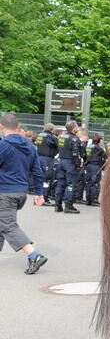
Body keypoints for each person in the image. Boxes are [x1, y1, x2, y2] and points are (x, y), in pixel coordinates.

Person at [0, 114, 47, 274]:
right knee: (2, 223)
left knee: (8, 225)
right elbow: (37, 171)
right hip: (21, 192)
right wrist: (39, 192)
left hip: (5, 191)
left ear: (1, 126)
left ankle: (34, 255)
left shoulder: (4, 145)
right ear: (18, 126)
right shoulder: (30, 146)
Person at [53, 121, 83, 214]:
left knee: (60, 183)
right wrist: (78, 165)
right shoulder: (74, 139)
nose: (78, 128)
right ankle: (68, 205)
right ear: (74, 128)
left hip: (61, 161)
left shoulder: (61, 137)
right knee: (71, 184)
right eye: (77, 126)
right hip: (70, 163)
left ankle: (57, 205)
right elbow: (75, 153)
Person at [32, 123, 58, 204]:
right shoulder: (50, 136)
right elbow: (57, 145)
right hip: (47, 159)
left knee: (40, 178)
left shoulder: (40, 135)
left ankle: (37, 198)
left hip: (39, 157)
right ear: (51, 129)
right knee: (46, 179)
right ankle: (44, 198)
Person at [83, 133, 107, 206]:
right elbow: (105, 156)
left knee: (88, 183)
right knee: (95, 183)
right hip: (95, 166)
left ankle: (88, 200)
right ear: (99, 140)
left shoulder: (88, 147)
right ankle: (94, 200)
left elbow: (84, 156)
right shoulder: (98, 148)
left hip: (88, 166)